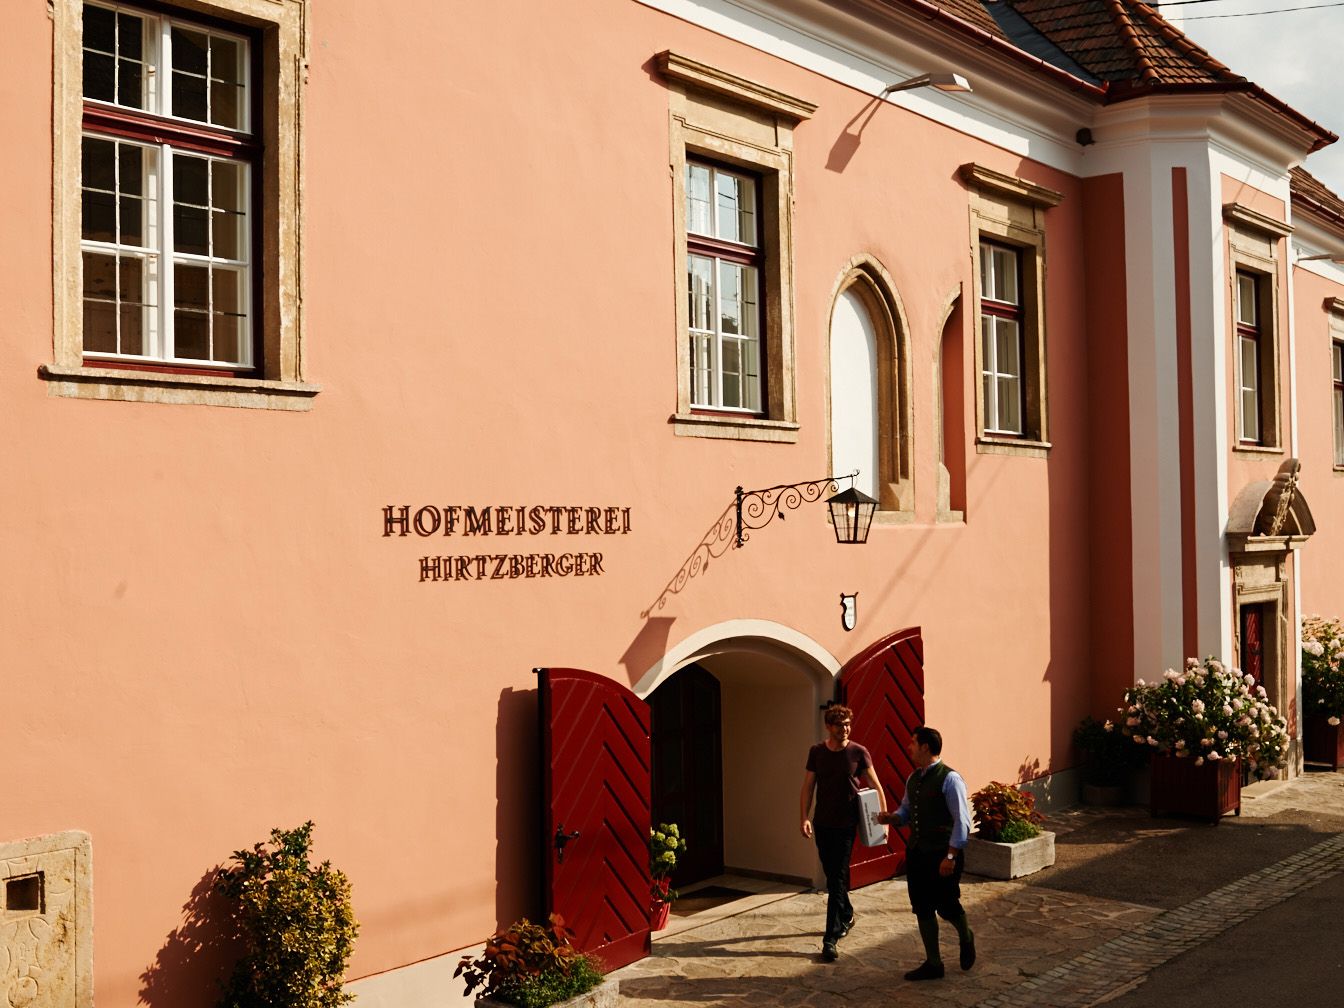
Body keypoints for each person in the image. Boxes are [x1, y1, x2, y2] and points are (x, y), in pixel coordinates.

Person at [877, 725, 976, 980]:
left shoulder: (950, 779)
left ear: (925, 747)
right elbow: (906, 811)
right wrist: (892, 818)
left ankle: (966, 936)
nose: (908, 746)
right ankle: (934, 963)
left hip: (943, 853)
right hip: (918, 853)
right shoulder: (913, 778)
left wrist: (951, 856)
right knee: (922, 907)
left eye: (913, 742)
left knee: (946, 906)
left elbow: (962, 822)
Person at [799, 703, 887, 963]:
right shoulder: (816, 752)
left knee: (836, 879)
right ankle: (846, 912)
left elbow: (877, 786)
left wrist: (884, 822)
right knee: (832, 875)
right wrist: (803, 817)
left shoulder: (858, 752)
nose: (845, 728)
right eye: (840, 725)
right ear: (829, 727)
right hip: (823, 823)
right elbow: (807, 787)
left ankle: (830, 938)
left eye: (848, 724)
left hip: (847, 825)